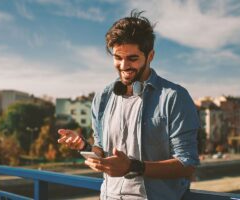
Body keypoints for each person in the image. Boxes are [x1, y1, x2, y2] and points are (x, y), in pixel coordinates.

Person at [58, 10, 200, 200]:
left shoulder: (174, 97)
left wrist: (133, 167)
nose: (124, 65)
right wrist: (84, 145)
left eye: (132, 58)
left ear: (150, 56)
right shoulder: (102, 98)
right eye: (118, 57)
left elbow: (187, 164)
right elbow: (101, 149)